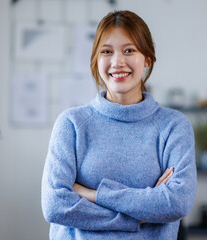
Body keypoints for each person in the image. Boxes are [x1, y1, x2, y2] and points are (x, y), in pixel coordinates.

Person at [41, 10, 197, 240]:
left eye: (129, 50)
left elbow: (177, 203)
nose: (117, 62)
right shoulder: (72, 124)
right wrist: (137, 215)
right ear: (96, 59)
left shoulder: (173, 126)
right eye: (107, 51)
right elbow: (55, 205)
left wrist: (92, 195)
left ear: (147, 58)